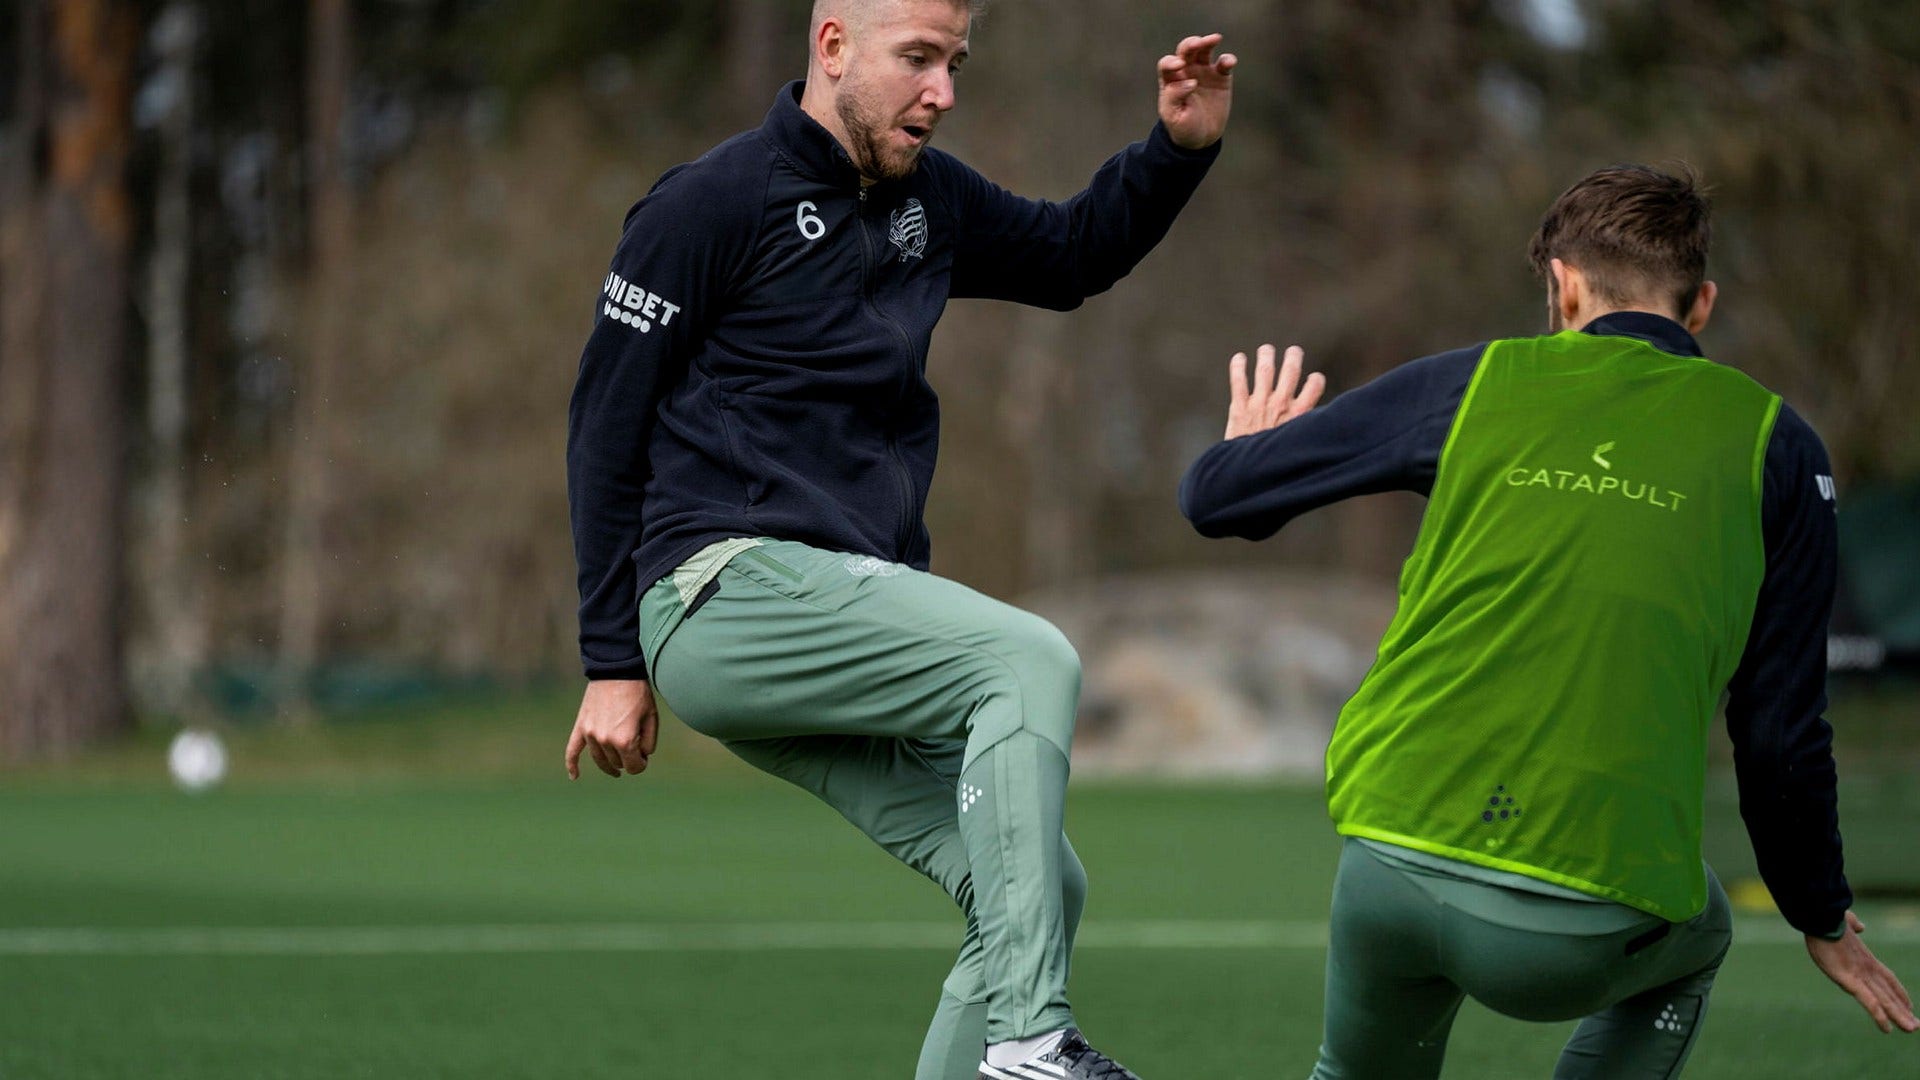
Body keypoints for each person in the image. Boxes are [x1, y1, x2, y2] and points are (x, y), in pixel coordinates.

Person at [563, 2, 1234, 1077]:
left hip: (842, 606)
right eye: (918, 59)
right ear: (833, 47)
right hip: (721, 591)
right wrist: (608, 658)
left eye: (956, 63)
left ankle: (1014, 1037)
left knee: (1037, 891)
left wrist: (1177, 149)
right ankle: (1030, 1044)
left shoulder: (931, 200)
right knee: (1026, 655)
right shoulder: (707, 204)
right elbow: (603, 425)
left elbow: (1069, 256)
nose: (945, 91)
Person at [1178, 164, 1917, 1077]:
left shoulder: (1477, 380)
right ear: (1703, 304)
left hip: (1390, 862)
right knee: (1705, 927)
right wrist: (1818, 910)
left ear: (1563, 286)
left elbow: (1218, 498)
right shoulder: (1780, 446)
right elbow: (1779, 733)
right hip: (1580, 925)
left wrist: (1250, 451)